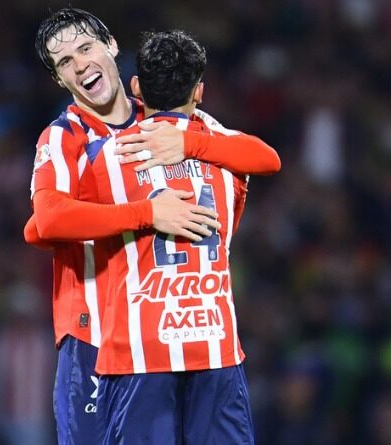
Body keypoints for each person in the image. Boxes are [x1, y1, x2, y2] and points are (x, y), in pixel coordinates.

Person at [27, 8, 280, 444]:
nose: (80, 64)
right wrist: (147, 213)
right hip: (94, 336)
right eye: (65, 62)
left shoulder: (169, 118)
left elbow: (263, 157)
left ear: (111, 46)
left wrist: (188, 143)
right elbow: (45, 222)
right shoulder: (65, 136)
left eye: (86, 48)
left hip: (171, 332)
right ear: (59, 79)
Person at [87, 29, 271, 443]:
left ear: (136, 87)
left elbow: (55, 223)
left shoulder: (107, 159)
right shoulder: (228, 156)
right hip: (213, 342)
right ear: (199, 91)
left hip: (139, 351)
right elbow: (267, 160)